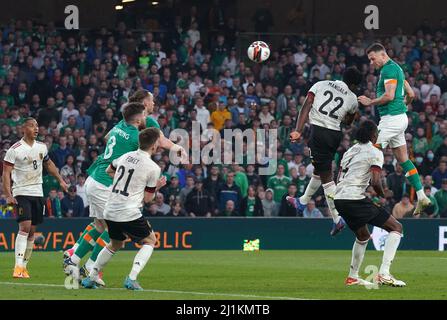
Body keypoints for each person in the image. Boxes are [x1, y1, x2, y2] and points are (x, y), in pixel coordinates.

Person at [82, 128, 166, 290]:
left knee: (116, 244)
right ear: (154, 145)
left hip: (110, 208)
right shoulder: (153, 168)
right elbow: (148, 199)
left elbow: (109, 170)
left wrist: (125, 182)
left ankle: (91, 277)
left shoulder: (125, 156)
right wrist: (156, 187)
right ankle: (132, 278)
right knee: (150, 241)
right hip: (128, 211)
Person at [288, 67, 363, 236]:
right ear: (353, 84)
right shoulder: (352, 98)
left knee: (327, 178)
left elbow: (307, 104)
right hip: (335, 134)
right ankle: (303, 201)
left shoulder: (321, 84)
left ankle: (338, 219)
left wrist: (298, 130)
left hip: (319, 132)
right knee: (320, 170)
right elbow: (348, 122)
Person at [358, 43, 431, 214]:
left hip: (391, 119)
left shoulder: (388, 70)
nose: (371, 63)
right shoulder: (397, 69)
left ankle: (353, 191)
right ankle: (421, 196)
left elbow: (389, 96)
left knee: (370, 150)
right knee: (403, 159)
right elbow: (411, 94)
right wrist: (404, 106)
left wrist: (371, 102)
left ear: (382, 55)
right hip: (399, 118)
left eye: (372, 59)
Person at [334, 120, 406, 287]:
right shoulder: (375, 152)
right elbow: (375, 180)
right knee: (396, 228)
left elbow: (340, 176)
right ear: (374, 135)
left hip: (340, 198)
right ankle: (384, 273)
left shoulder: (350, 151)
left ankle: (352, 277)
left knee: (363, 236)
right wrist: (383, 194)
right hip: (353, 198)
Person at [2, 118, 67, 278]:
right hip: (21, 192)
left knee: (32, 232)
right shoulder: (14, 149)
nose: (36, 128)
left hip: (38, 193)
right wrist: (8, 194)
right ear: (24, 128)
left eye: (37, 126)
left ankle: (24, 267)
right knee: (24, 227)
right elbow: (6, 173)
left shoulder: (42, 147)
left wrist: (60, 179)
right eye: (32, 126)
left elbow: (49, 164)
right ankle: (17, 266)